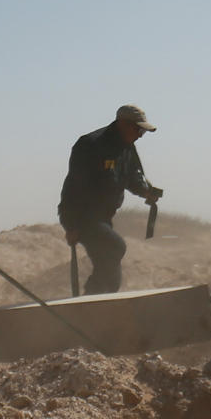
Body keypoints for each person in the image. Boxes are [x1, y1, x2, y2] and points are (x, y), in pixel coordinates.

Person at [58, 105, 163, 295]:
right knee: (115, 247)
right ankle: (90, 305)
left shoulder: (127, 148)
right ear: (122, 124)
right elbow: (73, 187)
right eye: (138, 129)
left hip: (103, 218)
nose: (140, 135)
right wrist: (70, 224)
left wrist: (147, 192)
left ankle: (94, 309)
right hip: (84, 217)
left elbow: (132, 177)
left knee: (111, 274)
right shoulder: (90, 144)